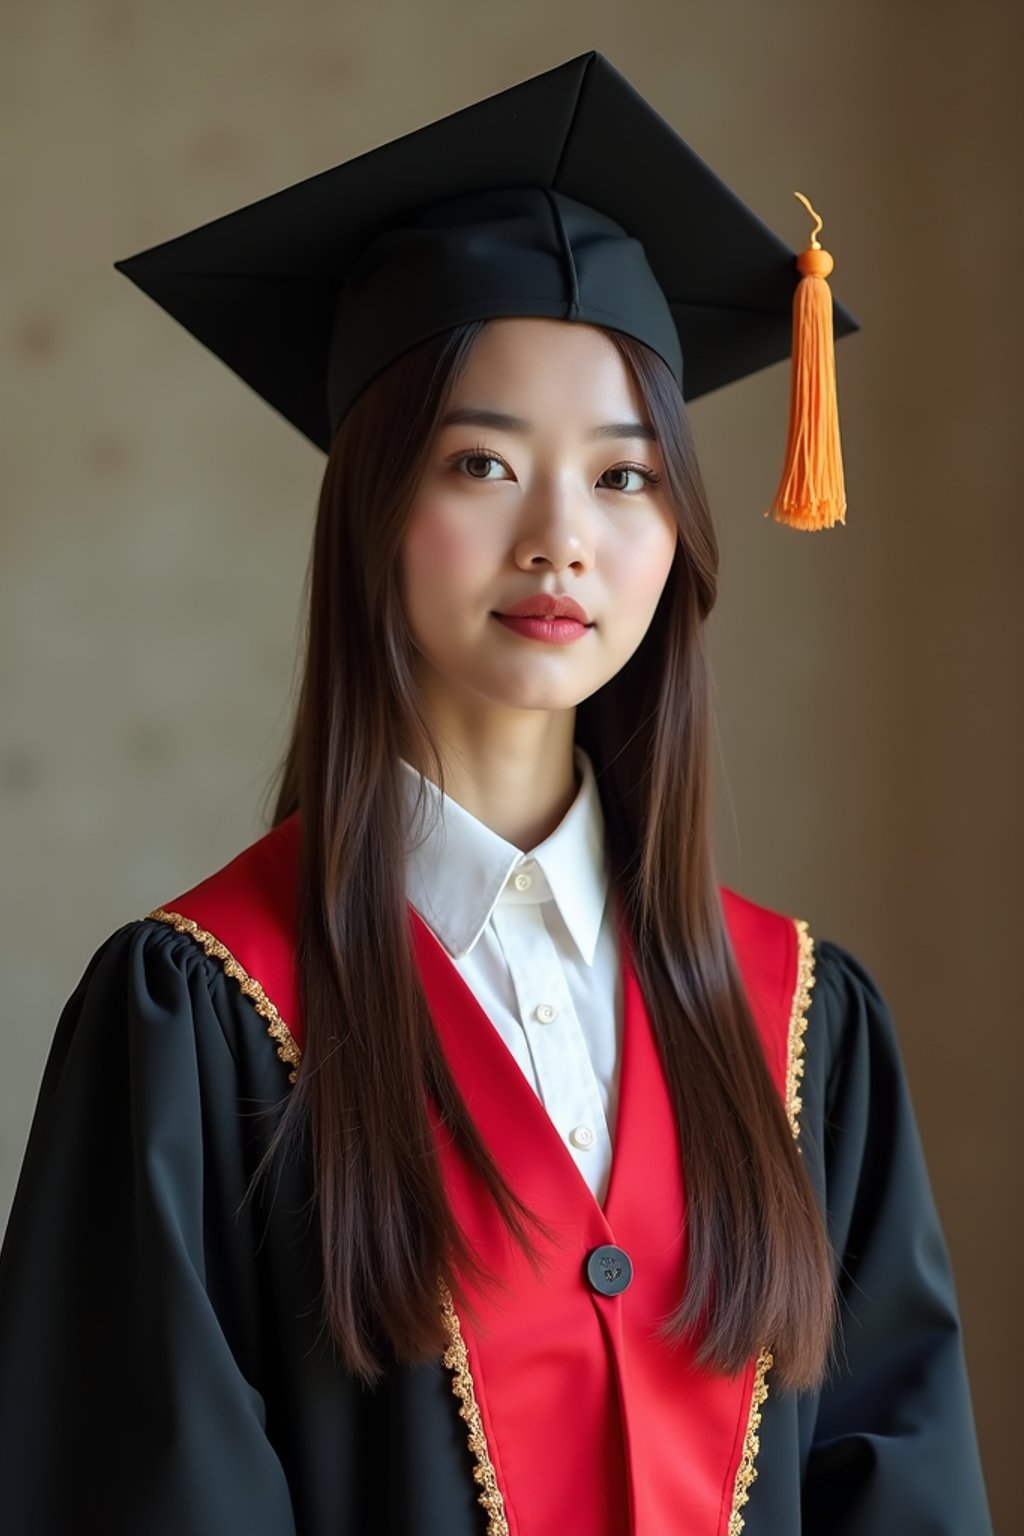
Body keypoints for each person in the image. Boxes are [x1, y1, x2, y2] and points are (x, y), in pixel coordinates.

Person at [0, 49, 992, 1536]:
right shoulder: (199, 1023)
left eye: (625, 475)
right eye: (480, 463)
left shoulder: (800, 1026)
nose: (562, 542)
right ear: (373, 512)